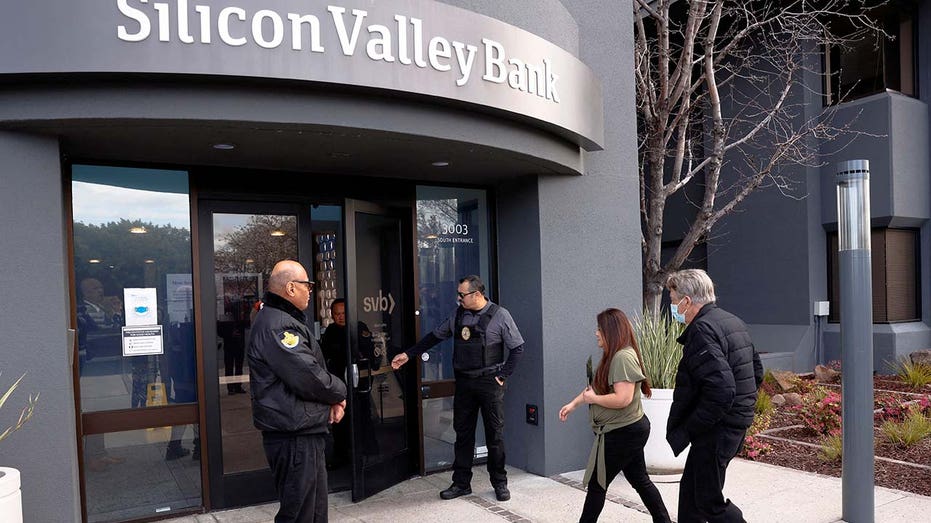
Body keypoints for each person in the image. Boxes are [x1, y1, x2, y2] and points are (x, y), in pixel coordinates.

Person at [391, 275, 524, 502]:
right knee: (462, 435)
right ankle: (461, 483)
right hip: (464, 383)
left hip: (489, 382)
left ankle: (500, 482)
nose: (458, 298)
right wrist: (408, 354)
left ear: (477, 295)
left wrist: (502, 376)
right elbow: (435, 336)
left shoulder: (500, 315)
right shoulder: (458, 315)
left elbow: (517, 348)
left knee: (495, 435)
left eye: (462, 295)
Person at [248, 260, 348, 523]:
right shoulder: (278, 326)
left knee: (313, 511)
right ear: (291, 288)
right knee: (298, 513)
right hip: (292, 436)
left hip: (304, 429)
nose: (311, 290)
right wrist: (340, 392)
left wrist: (332, 402)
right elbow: (309, 376)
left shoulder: (281, 320)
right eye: (308, 285)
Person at [665, 269, 763, 523]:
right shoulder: (732, 321)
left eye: (674, 301)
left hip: (717, 430)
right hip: (729, 425)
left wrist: (690, 427)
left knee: (708, 502)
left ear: (687, 302)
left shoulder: (702, 330)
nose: (673, 307)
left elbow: (721, 390)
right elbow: (756, 373)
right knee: (691, 494)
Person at [559, 308, 671, 523]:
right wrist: (574, 403)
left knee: (597, 483)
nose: (596, 333)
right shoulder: (614, 355)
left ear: (610, 331)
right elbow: (596, 389)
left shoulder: (622, 357)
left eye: (599, 329)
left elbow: (623, 399)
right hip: (627, 429)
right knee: (639, 479)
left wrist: (594, 401)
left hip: (623, 432)